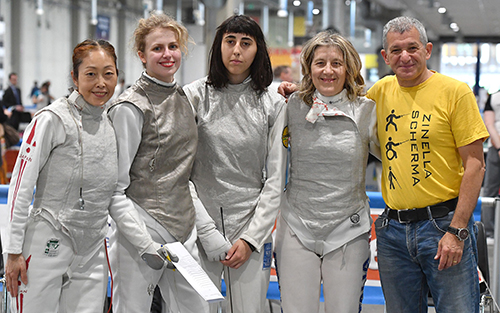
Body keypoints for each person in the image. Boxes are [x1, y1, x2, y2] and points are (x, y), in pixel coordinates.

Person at [3, 39, 167, 313]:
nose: (101, 83)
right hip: (46, 241)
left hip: (91, 250)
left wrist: (145, 244)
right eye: (91, 74)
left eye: (108, 73)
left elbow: (113, 195)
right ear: (75, 77)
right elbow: (20, 187)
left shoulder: (112, 124)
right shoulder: (51, 119)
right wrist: (13, 251)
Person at [367, 16, 489, 312]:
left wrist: (458, 231)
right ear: (385, 56)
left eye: (412, 48)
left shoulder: (455, 92)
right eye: (396, 50)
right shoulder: (379, 92)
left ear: (428, 50)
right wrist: (297, 94)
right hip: (392, 231)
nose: (405, 56)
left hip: (443, 226)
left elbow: (475, 164)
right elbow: (337, 99)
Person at [183, 14, 287, 313]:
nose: (237, 51)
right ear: (219, 47)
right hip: (200, 227)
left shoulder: (273, 103)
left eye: (246, 43)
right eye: (230, 42)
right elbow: (182, 173)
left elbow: (276, 179)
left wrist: (251, 239)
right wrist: (208, 233)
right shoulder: (193, 96)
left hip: (251, 229)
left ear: (258, 50)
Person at [107, 13, 209, 313]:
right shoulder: (130, 106)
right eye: (157, 48)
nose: (167, 54)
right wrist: (142, 243)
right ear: (141, 54)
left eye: (173, 46)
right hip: (140, 227)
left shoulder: (184, 98)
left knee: (196, 308)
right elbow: (116, 189)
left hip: (183, 226)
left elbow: (183, 173)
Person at [274, 31, 375, 313]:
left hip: (348, 229)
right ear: (309, 68)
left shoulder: (367, 109)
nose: (328, 71)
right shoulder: (291, 105)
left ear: (349, 68)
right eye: (320, 63)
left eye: (336, 63)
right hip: (297, 226)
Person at [482, 90, 500, 239]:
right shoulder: (494, 97)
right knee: (490, 190)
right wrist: (499, 146)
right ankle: (488, 230)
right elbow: (489, 123)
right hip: (496, 148)